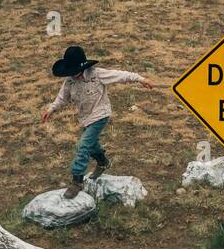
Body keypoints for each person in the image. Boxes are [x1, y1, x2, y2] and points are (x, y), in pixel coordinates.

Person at [43, 45, 158, 198]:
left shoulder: (97, 74)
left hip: (100, 115)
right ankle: (103, 162)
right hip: (85, 118)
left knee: (83, 145)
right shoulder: (69, 82)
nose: (72, 75)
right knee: (91, 145)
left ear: (82, 67)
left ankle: (77, 181)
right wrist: (51, 109)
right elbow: (62, 98)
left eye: (74, 71)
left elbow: (120, 75)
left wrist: (141, 79)